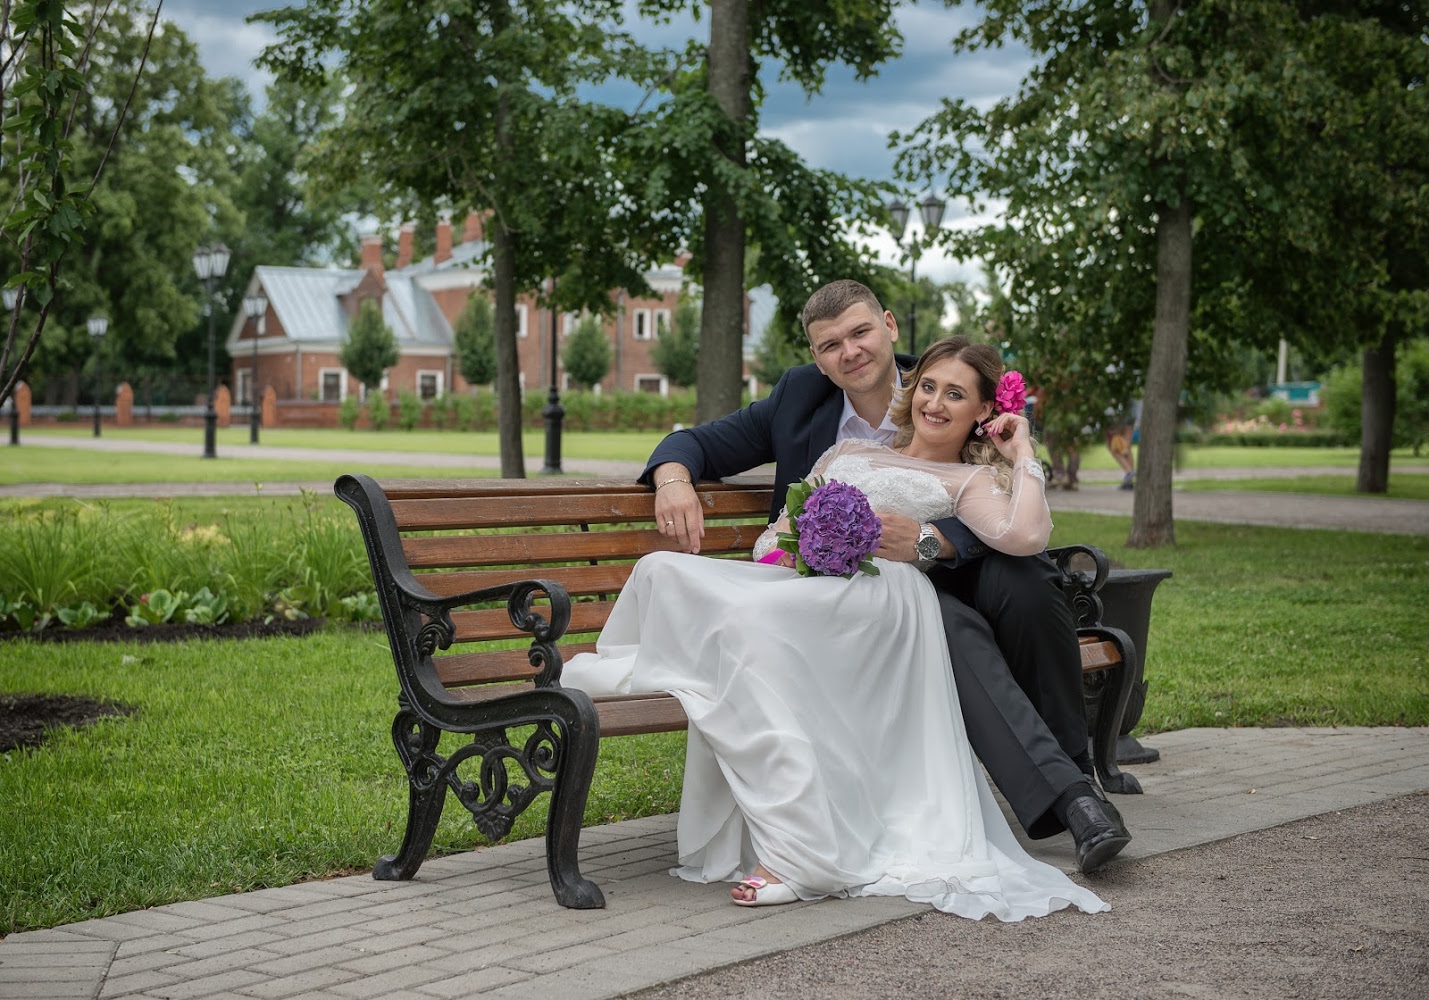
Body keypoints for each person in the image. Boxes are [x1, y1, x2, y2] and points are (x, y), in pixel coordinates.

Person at [562, 338, 1109, 919]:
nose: (936, 403)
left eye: (956, 395)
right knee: (663, 568)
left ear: (981, 412)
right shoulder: (844, 450)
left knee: (751, 621)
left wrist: (1021, 445)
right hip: (810, 584)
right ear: (912, 387)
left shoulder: (966, 482)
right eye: (928, 386)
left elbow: (1024, 537)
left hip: (884, 599)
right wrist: (805, 546)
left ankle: (801, 846)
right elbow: (773, 536)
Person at [642, 280, 1130, 872]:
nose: (848, 351)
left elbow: (998, 498)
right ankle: (1072, 798)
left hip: (963, 563)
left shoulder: (940, 384)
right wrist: (673, 479)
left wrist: (936, 541)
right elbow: (694, 442)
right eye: (829, 345)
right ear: (817, 358)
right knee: (948, 626)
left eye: (859, 332)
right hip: (853, 591)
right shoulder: (801, 398)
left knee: (1026, 587)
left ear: (890, 326)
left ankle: (1075, 777)